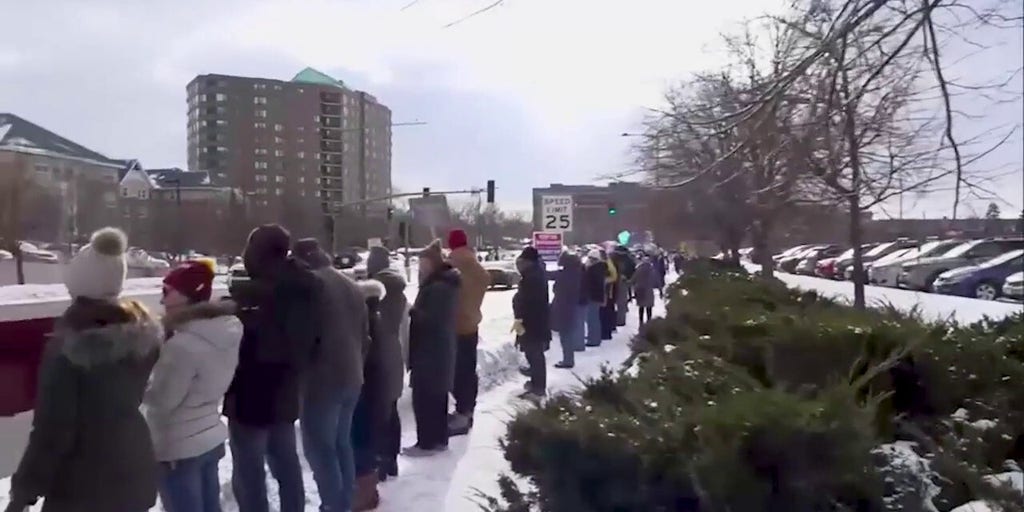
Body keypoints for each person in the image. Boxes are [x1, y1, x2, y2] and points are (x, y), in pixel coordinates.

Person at [8, 228, 163, 512]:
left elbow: (53, 432)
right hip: (134, 473)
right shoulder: (141, 336)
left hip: (83, 489)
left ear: (78, 283)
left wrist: (22, 494)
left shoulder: (69, 349)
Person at [224, 225, 321, 512]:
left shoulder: (258, 296)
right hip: (288, 388)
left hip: (250, 396)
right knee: (286, 464)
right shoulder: (306, 286)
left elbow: (255, 343)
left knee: (249, 473)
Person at [147, 259, 242, 512]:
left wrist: (144, 384)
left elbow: (162, 401)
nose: (162, 301)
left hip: (179, 448)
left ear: (187, 297)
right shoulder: (225, 332)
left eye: (166, 292)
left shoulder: (181, 346)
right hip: (209, 438)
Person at [290, 238, 368, 512]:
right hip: (352, 374)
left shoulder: (311, 286)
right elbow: (364, 334)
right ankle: (345, 503)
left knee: (320, 449)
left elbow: (303, 335)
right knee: (341, 444)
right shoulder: (349, 284)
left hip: (322, 380)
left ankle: (334, 506)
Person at [406, 240, 461, 456]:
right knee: (437, 397)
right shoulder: (445, 284)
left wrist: (412, 312)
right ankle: (438, 439)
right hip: (438, 349)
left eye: (424, 262)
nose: (421, 266)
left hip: (429, 350)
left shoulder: (438, 287)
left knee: (425, 398)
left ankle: (426, 442)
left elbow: (433, 320)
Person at [365, 246, 409, 481]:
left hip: (378, 355)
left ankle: (380, 461)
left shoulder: (376, 294)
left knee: (378, 412)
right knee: (391, 410)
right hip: (394, 354)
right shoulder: (399, 293)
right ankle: (391, 459)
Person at [445, 229, 491, 436]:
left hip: (454, 326)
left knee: (456, 372)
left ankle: (461, 415)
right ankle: (467, 410)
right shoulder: (479, 270)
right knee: (468, 371)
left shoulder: (451, 268)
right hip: (472, 325)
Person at [351, 278, 387, 511]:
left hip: (365, 387)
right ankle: (369, 491)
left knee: (360, 440)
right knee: (367, 440)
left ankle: (364, 495)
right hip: (376, 387)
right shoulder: (377, 318)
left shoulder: (365, 323)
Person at [513, 247, 551, 401]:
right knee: (533, 354)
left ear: (528, 261)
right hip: (535, 321)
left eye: (522, 261)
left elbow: (529, 301)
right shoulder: (535, 273)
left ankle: (538, 388)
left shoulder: (532, 277)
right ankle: (536, 383)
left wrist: (521, 316)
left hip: (532, 322)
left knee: (534, 354)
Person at [550, 249, 583, 368]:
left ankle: (568, 360)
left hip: (563, 306)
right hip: (571, 305)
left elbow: (557, 287)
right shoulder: (576, 273)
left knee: (565, 334)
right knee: (567, 333)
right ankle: (568, 358)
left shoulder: (565, 275)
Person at [581, 249, 608, 347]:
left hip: (593, 296)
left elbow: (591, 283)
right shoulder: (600, 268)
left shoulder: (593, 269)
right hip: (597, 296)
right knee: (594, 318)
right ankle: (594, 337)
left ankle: (594, 339)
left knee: (592, 319)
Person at [631, 255, 657, 326]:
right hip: (648, 290)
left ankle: (641, 321)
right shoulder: (652, 269)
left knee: (641, 306)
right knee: (649, 307)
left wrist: (631, 283)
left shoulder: (639, 269)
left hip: (640, 290)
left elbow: (634, 278)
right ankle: (649, 320)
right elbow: (655, 279)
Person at [599, 250, 618, 340]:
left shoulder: (607, 264)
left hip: (607, 293)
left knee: (605, 313)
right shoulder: (609, 263)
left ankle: (605, 333)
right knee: (607, 312)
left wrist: (604, 281)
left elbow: (613, 277)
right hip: (609, 293)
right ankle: (607, 331)